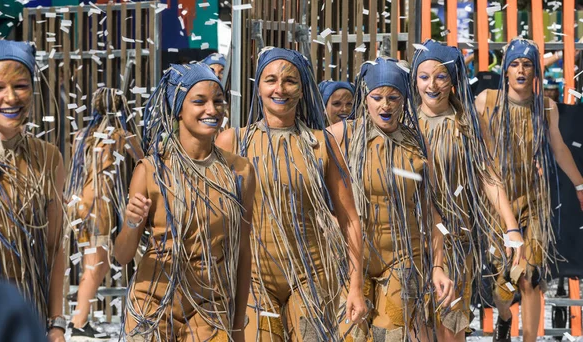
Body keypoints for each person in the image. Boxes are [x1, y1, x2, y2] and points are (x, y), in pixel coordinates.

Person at [216, 47, 367, 341]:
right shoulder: (233, 142)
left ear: (302, 89)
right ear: (258, 86)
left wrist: (355, 285)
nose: (280, 89)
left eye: (290, 81)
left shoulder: (322, 144)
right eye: (270, 80)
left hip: (310, 275)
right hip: (254, 278)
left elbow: (350, 219)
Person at [114, 62, 255, 341]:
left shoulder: (240, 171)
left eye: (218, 101)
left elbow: (243, 252)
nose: (212, 110)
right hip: (151, 305)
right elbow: (122, 255)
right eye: (199, 101)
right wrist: (131, 222)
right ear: (178, 108)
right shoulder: (151, 170)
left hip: (209, 309)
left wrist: (238, 325)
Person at [329, 57, 454, 342]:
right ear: (365, 98)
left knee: (391, 336)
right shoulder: (341, 135)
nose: (385, 105)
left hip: (401, 256)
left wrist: (438, 265)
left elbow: (433, 213)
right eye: (377, 97)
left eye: (393, 97)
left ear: (404, 99)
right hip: (350, 258)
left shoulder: (416, 143)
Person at [411, 40, 523, 342]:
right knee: (418, 326)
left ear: (453, 80)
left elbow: (489, 178)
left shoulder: (467, 124)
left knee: (451, 326)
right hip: (409, 238)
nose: (431, 85)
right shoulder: (404, 124)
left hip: (455, 239)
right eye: (424, 77)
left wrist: (512, 227)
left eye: (440, 76)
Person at [475, 38, 583, 342]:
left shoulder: (545, 106)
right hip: (497, 200)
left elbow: (559, 148)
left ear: (535, 70)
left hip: (534, 198)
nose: (521, 69)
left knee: (531, 277)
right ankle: (505, 318)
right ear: (505, 70)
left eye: (527, 64)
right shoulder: (487, 101)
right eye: (515, 64)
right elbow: (477, 152)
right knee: (503, 280)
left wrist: (580, 184)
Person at [0, 38, 66, 342]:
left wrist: (56, 323)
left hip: (26, 319)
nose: (11, 97)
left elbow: (54, 247)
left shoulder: (47, 158)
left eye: (21, 86)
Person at [65, 87, 143, 340]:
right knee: (93, 264)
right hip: (98, 205)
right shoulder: (119, 135)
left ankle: (81, 315)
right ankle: (77, 322)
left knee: (99, 262)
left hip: (79, 203)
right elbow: (144, 159)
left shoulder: (81, 135)